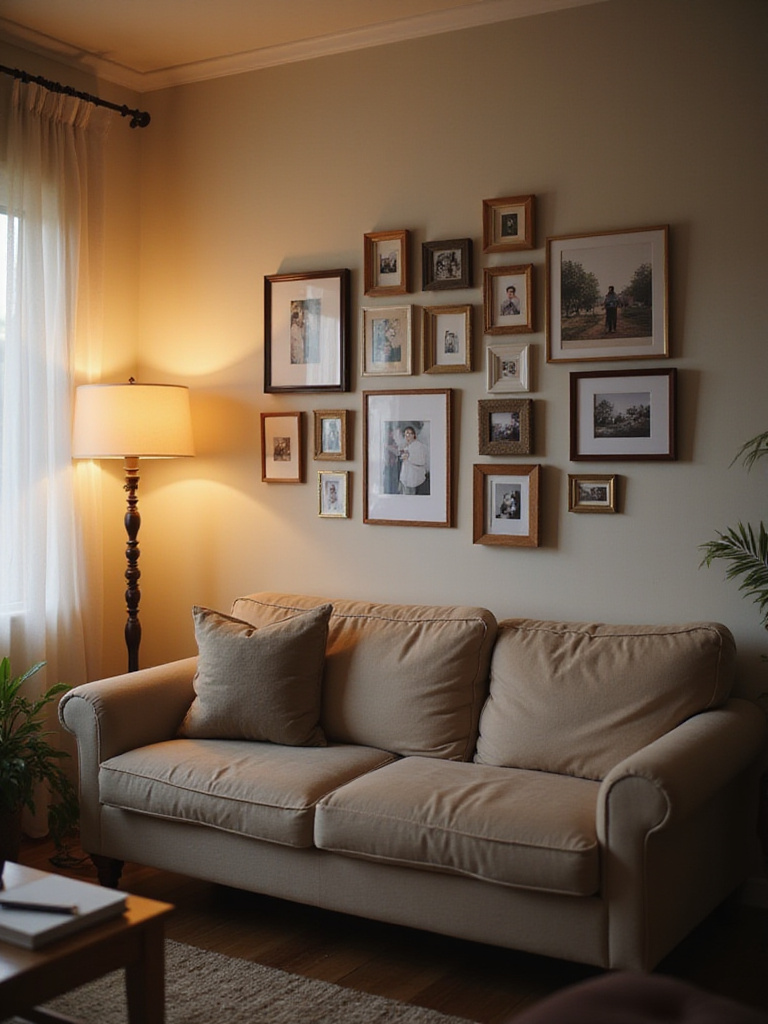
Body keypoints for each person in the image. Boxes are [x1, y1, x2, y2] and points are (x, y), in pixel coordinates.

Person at [398, 426, 429, 495]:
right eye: (406, 434)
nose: (407, 435)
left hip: (415, 481)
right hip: (405, 480)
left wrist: (408, 457)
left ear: (414, 435)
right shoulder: (406, 446)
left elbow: (422, 461)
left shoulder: (419, 446)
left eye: (409, 433)